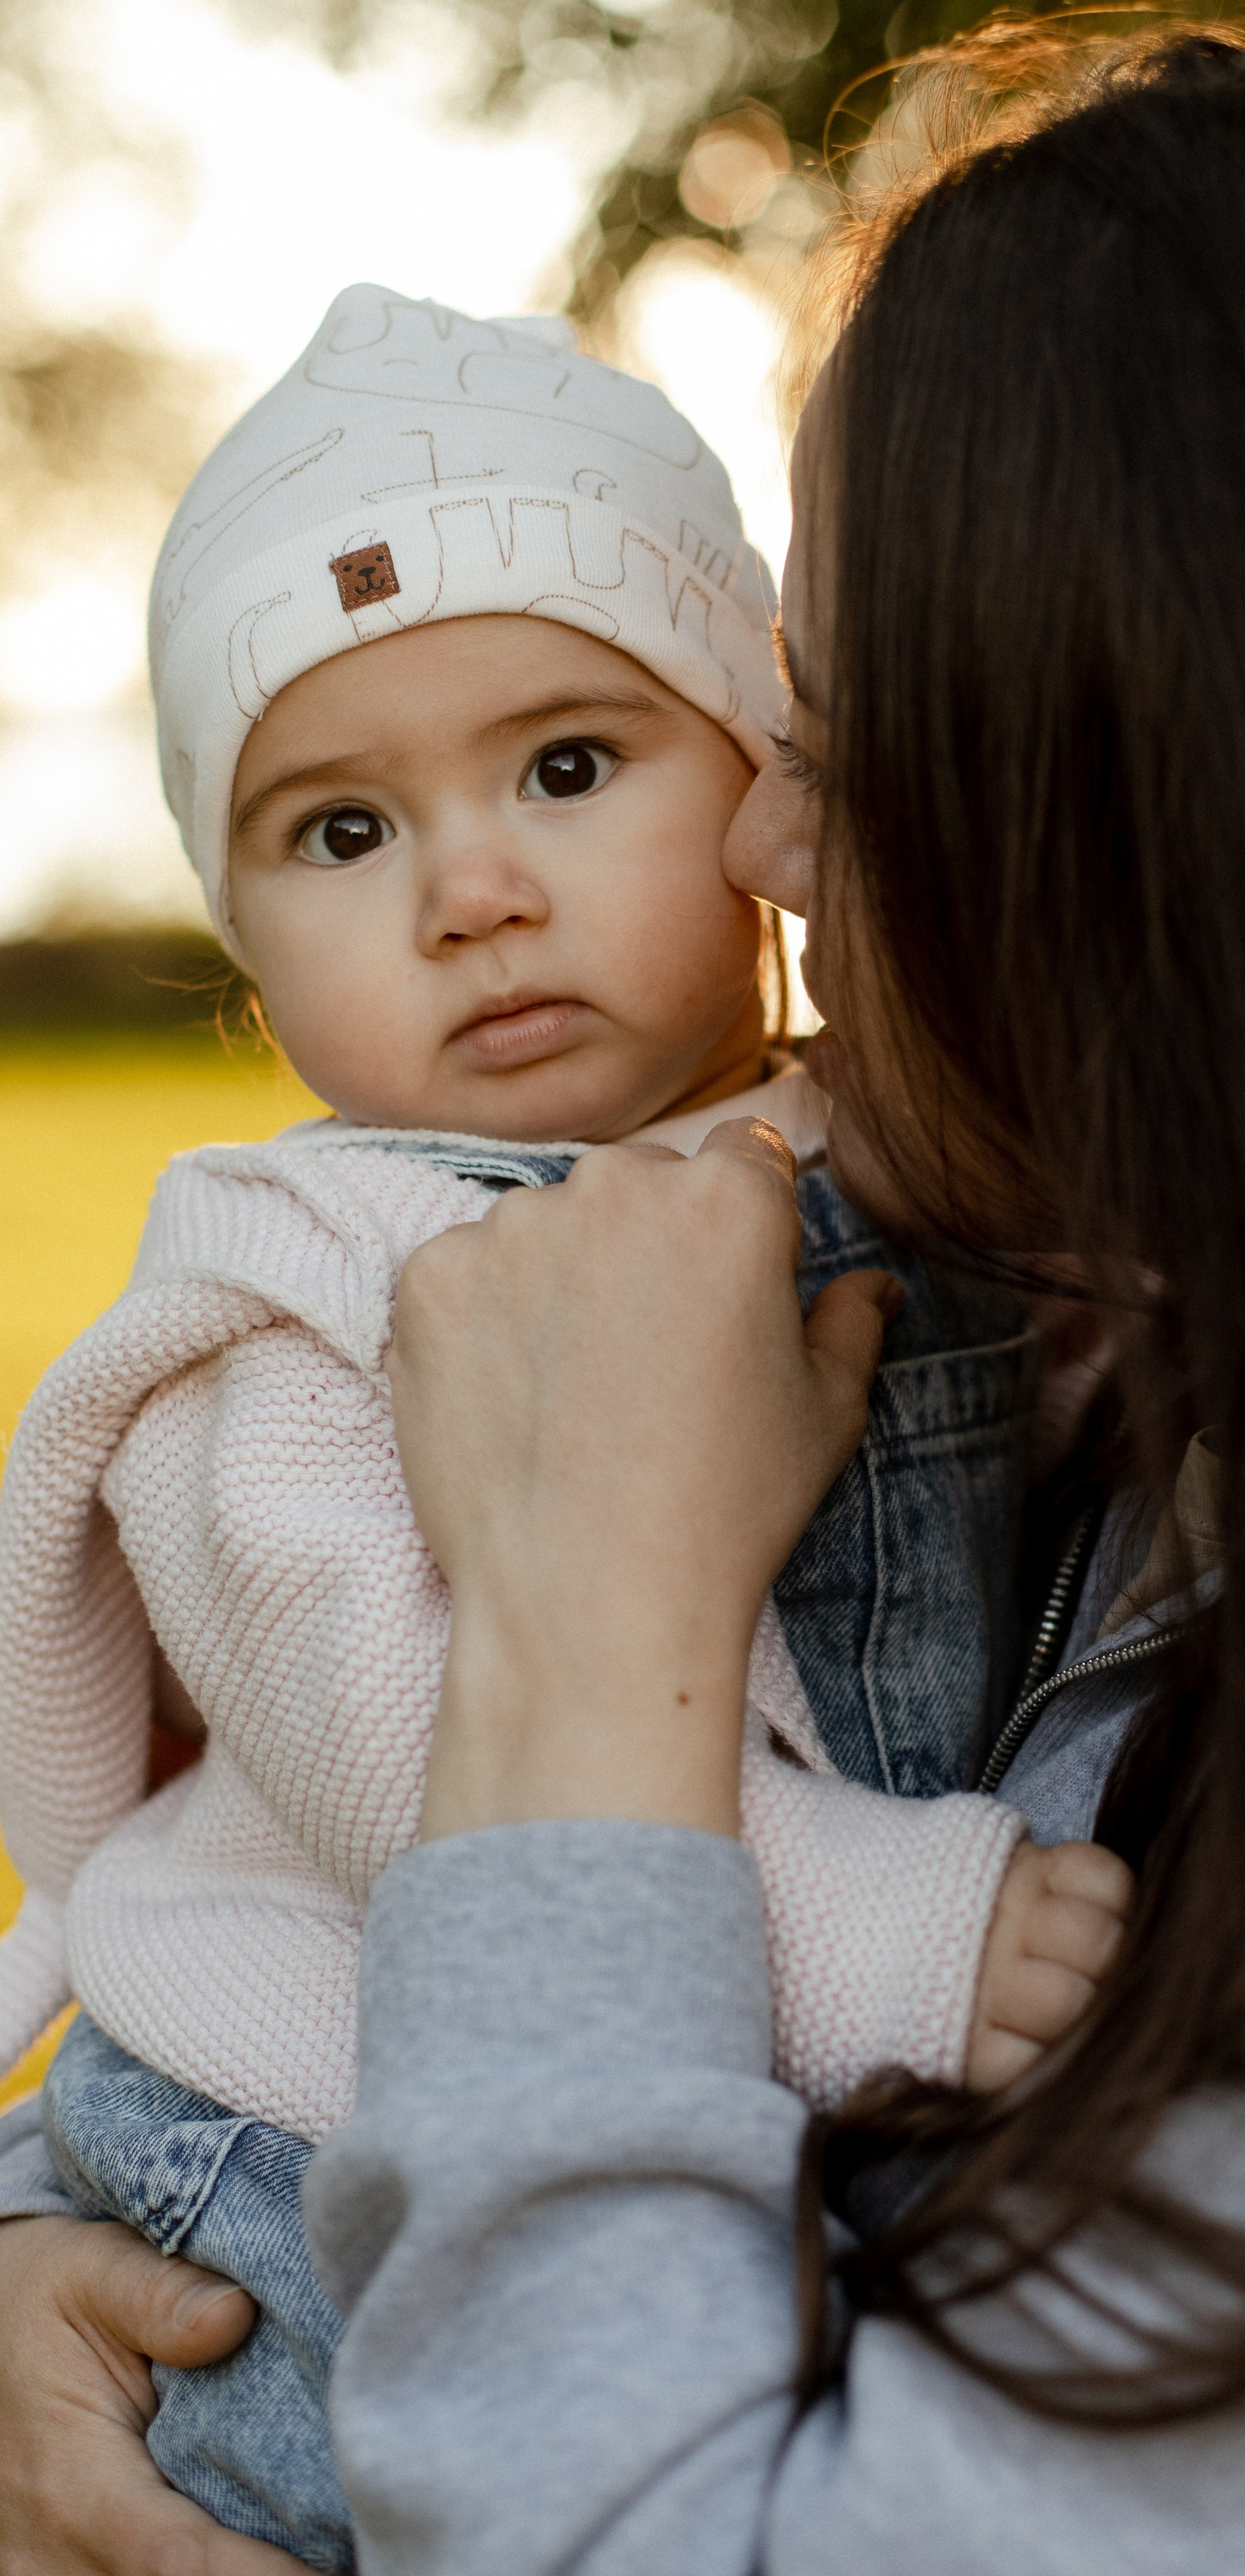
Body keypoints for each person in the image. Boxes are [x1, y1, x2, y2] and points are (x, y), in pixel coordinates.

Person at [4, 0, 1245, 2573]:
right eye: (336, 825)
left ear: (1204, 857)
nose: (757, 845)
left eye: (843, 750)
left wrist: (597, 1627)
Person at [0, 287, 1128, 2569]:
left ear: (761, 772)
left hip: (686, 2149)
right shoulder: (299, 1291)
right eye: (339, 831)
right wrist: (891, 1931)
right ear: (241, 936)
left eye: (571, 767)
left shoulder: (893, 1166)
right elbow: (399, 1745)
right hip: (310, 2163)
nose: (474, 890)